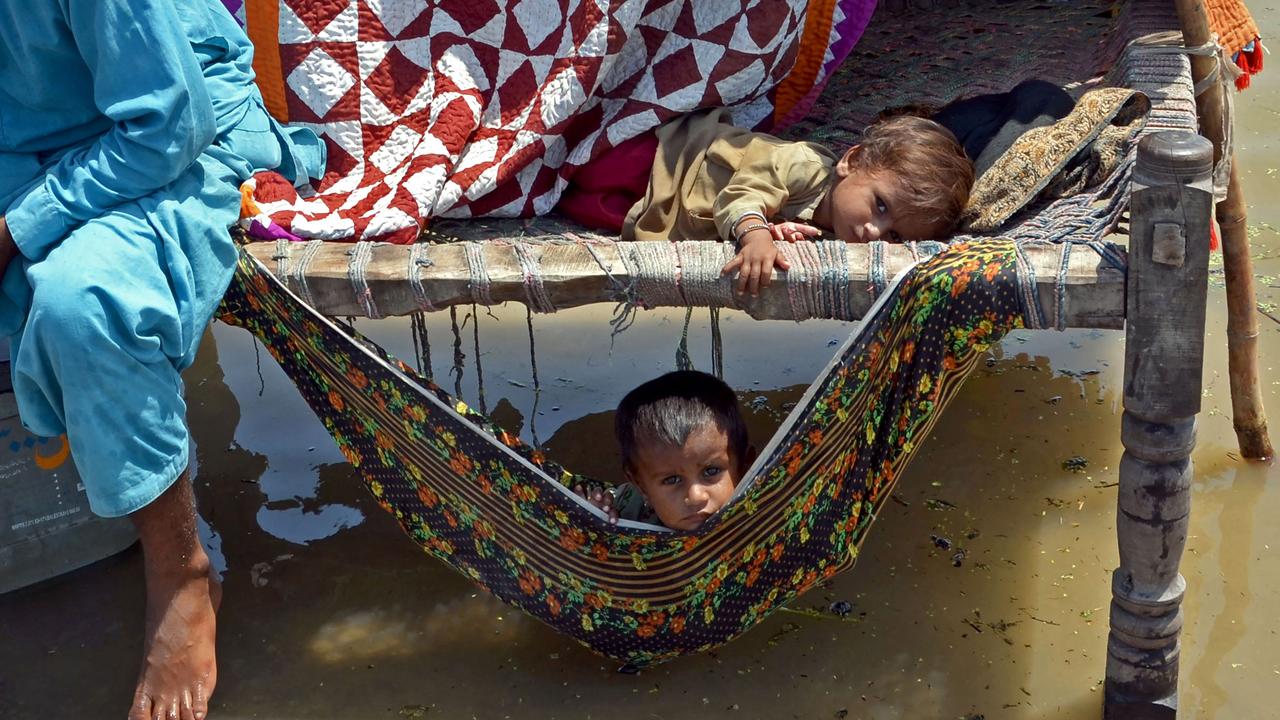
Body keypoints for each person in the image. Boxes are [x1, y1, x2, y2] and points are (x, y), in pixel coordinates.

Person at [0, 1, 324, 718]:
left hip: (163, 134)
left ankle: (180, 574)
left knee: (80, 303)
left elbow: (168, 126)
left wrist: (18, 228)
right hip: (24, 145)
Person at [557, 110, 975, 296]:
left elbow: (785, 221)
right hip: (670, 160)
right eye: (880, 207)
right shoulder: (804, 165)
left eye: (896, 236)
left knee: (581, 206)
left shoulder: (838, 231)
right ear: (853, 161)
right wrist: (756, 235)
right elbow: (743, 195)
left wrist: (780, 232)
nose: (874, 234)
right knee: (577, 167)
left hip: (665, 204)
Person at [576, 370, 756, 531]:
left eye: (711, 471)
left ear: (745, 466)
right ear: (640, 485)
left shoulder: (767, 510)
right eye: (672, 479)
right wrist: (594, 524)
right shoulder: (626, 511)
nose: (696, 497)